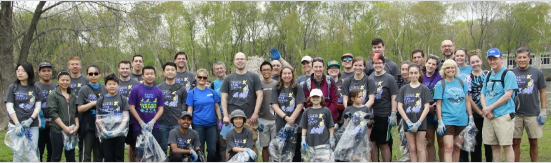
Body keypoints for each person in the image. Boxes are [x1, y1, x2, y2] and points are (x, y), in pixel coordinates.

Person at [221, 52, 263, 152]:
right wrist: (226, 115)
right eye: (237, 59)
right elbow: (223, 97)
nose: (240, 61)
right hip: (232, 117)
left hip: (249, 118)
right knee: (230, 146)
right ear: (234, 61)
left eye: (242, 59)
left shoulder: (253, 77)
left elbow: (260, 95)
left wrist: (255, 113)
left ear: (246, 61)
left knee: (251, 144)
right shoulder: (228, 78)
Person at [480, 48, 517, 162]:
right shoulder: (488, 75)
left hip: (503, 115)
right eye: (490, 59)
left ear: (501, 59)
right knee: (494, 146)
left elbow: (508, 95)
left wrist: (490, 108)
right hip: (489, 116)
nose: (492, 62)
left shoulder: (508, 74)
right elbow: (483, 94)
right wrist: (486, 109)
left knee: (507, 145)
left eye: (495, 59)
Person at [512, 48, 547, 162]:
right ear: (515, 59)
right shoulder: (511, 73)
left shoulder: (538, 72)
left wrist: (543, 110)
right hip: (516, 113)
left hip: (532, 112)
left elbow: (542, 91)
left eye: (524, 57)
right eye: (519, 57)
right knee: (515, 141)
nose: (522, 60)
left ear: (529, 58)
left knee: (533, 141)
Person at [434, 60, 473, 162]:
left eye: (452, 67)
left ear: (455, 69)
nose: (450, 70)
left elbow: (467, 101)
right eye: (448, 68)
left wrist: (471, 117)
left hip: (462, 120)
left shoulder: (461, 82)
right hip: (447, 120)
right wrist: (440, 120)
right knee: (448, 148)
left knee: (457, 148)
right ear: (444, 70)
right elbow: (438, 104)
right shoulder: (440, 84)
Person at [5, 62, 43, 162]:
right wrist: (17, 124)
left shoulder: (36, 88)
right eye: (18, 71)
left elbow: (37, 106)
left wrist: (31, 120)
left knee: (32, 152)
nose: (20, 73)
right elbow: (9, 107)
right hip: (15, 126)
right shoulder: (13, 87)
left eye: (23, 71)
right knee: (18, 152)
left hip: (32, 125)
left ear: (29, 72)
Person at [460, 49, 493, 162]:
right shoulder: (468, 78)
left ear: (481, 61)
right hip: (476, 114)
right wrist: (480, 112)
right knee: (476, 143)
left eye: (477, 61)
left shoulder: (488, 75)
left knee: (489, 142)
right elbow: (469, 98)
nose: (475, 64)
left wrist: (488, 110)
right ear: (469, 64)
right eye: (472, 62)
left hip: (490, 112)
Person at [396, 63, 433, 162]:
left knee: (420, 148)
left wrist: (419, 122)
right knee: (412, 148)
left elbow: (426, 107)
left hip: (420, 122)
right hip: (408, 122)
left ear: (419, 74)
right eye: (411, 73)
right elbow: (399, 106)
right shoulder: (404, 89)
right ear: (408, 74)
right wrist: (407, 121)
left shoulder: (424, 89)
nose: (413, 75)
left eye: (415, 73)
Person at [128, 65, 165, 162]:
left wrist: (153, 121)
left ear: (155, 75)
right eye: (147, 74)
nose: (150, 76)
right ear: (143, 76)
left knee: (153, 152)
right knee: (138, 152)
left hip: (154, 127)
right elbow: (131, 107)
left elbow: (161, 109)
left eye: (152, 74)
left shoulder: (158, 91)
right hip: (139, 126)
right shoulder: (136, 89)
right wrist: (140, 122)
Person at [271, 66, 306, 162]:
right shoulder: (277, 87)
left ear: (292, 75)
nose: (287, 76)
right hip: (281, 123)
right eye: (284, 73)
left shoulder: (297, 87)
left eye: (289, 73)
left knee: (296, 151)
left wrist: (292, 119)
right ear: (281, 75)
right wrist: (286, 118)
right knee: (282, 150)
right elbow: (274, 105)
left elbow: (300, 104)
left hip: (296, 123)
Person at [368, 53, 399, 162]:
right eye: (375, 63)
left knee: (383, 143)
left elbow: (394, 95)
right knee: (373, 143)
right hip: (372, 114)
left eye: (380, 63)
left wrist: (393, 113)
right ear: (372, 64)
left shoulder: (389, 78)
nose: (378, 65)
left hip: (384, 114)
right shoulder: (370, 77)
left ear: (384, 64)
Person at [186, 68, 222, 161]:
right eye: (200, 77)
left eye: (204, 77)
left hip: (211, 125)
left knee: (212, 149)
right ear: (196, 78)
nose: (202, 79)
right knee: (199, 149)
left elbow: (217, 107)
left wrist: (220, 120)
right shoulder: (192, 92)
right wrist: (188, 122)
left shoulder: (212, 92)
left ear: (207, 79)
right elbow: (190, 109)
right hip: (198, 124)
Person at [96, 74, 130, 162]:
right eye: (109, 84)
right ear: (105, 86)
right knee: (108, 157)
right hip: (106, 134)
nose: (112, 86)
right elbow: (98, 117)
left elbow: (125, 116)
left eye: (114, 84)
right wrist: (103, 130)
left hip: (119, 134)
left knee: (119, 157)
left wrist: (118, 130)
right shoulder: (101, 99)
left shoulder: (123, 99)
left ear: (118, 85)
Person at [76, 64, 107, 162]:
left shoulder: (104, 88)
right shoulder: (84, 89)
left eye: (95, 73)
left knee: (99, 154)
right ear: (87, 75)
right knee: (87, 154)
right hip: (88, 126)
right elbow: (79, 108)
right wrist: (93, 103)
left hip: (101, 126)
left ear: (99, 74)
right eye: (91, 73)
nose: (93, 75)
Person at [47, 71, 79, 162]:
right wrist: (64, 127)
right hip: (57, 130)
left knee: (71, 157)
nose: (65, 82)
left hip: (71, 130)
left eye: (67, 80)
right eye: (62, 80)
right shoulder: (53, 95)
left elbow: (75, 111)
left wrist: (77, 125)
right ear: (58, 81)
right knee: (56, 156)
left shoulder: (72, 94)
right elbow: (53, 113)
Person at [157, 62, 188, 155]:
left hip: (176, 123)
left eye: (172, 70)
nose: (170, 72)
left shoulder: (181, 88)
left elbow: (184, 103)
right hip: (162, 123)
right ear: (163, 72)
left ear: (176, 72)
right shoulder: (158, 88)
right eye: (168, 70)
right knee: (162, 148)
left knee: (176, 151)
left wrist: (180, 115)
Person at [116, 60, 141, 162]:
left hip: (132, 120)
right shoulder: (114, 83)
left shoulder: (136, 84)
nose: (124, 70)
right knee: (118, 146)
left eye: (127, 68)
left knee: (134, 145)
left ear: (130, 69)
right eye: (122, 68)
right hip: (117, 120)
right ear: (118, 69)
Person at [302, 57, 339, 122]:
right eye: (316, 67)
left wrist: (326, 114)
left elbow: (334, 100)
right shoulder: (307, 84)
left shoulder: (330, 81)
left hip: (330, 117)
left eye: (320, 67)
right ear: (312, 67)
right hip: (314, 118)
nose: (318, 69)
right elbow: (307, 103)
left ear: (323, 67)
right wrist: (314, 115)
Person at [341, 88, 374, 161]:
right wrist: (346, 118)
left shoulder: (365, 108)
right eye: (359, 97)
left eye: (362, 96)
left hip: (362, 136)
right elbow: (345, 125)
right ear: (352, 99)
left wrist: (370, 119)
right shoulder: (348, 109)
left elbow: (369, 125)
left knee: (365, 154)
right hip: (351, 137)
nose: (361, 98)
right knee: (352, 156)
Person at [424, 54, 444, 162]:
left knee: (442, 142)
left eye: (433, 64)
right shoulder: (421, 76)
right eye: (429, 63)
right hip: (426, 114)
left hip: (439, 112)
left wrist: (435, 105)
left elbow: (444, 92)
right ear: (425, 63)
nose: (431, 66)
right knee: (430, 141)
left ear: (437, 66)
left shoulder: (440, 77)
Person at [36, 62, 57, 162]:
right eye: (43, 71)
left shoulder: (57, 87)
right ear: (39, 73)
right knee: (38, 152)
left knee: (52, 152)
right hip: (39, 125)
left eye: (48, 71)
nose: (46, 73)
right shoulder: (35, 87)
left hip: (54, 124)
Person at [257, 61, 278, 162]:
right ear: (261, 72)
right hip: (262, 119)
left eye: (268, 70)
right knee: (265, 146)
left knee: (275, 145)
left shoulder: (277, 84)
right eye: (264, 70)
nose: (266, 72)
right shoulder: (258, 84)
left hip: (276, 119)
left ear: (272, 71)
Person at [211, 61, 229, 161]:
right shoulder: (213, 85)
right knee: (222, 143)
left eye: (221, 68)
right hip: (220, 118)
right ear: (214, 71)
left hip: (233, 116)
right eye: (217, 69)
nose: (219, 70)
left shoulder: (232, 79)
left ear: (225, 68)